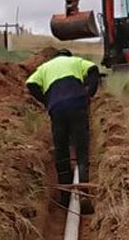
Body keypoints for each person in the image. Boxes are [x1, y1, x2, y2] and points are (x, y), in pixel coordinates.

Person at [24, 48, 103, 214]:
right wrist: (89, 93)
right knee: (81, 150)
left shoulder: (45, 67)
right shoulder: (76, 62)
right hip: (77, 104)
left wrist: (46, 100)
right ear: (69, 56)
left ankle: (65, 198)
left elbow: (30, 83)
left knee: (61, 151)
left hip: (57, 108)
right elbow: (94, 70)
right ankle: (83, 194)